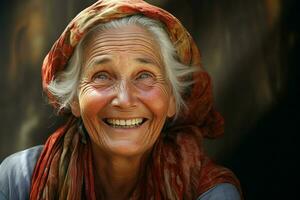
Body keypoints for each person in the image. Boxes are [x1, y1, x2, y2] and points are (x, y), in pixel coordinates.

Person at [0, 0, 242, 199]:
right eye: (102, 76)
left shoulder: (209, 193)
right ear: (74, 99)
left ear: (171, 99)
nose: (124, 100)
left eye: (145, 76)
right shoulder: (18, 181)